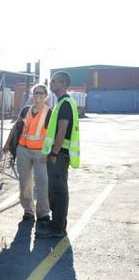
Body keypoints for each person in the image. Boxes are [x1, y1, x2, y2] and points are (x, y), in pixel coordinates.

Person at [36, 71, 80, 238]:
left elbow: (62, 131)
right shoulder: (63, 102)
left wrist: (54, 153)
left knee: (58, 191)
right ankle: (57, 224)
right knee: (56, 189)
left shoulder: (65, 104)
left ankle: (57, 227)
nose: (51, 84)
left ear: (62, 83)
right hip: (59, 154)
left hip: (59, 155)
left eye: (53, 82)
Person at [3, 84, 52, 222]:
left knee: (42, 183)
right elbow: (16, 127)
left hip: (40, 153)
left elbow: (51, 136)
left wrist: (47, 153)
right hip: (23, 150)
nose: (38, 95)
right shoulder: (26, 110)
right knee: (25, 182)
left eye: (41, 93)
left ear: (46, 95)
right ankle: (28, 211)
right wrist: (7, 144)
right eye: (35, 93)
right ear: (32, 94)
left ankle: (43, 213)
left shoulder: (49, 113)